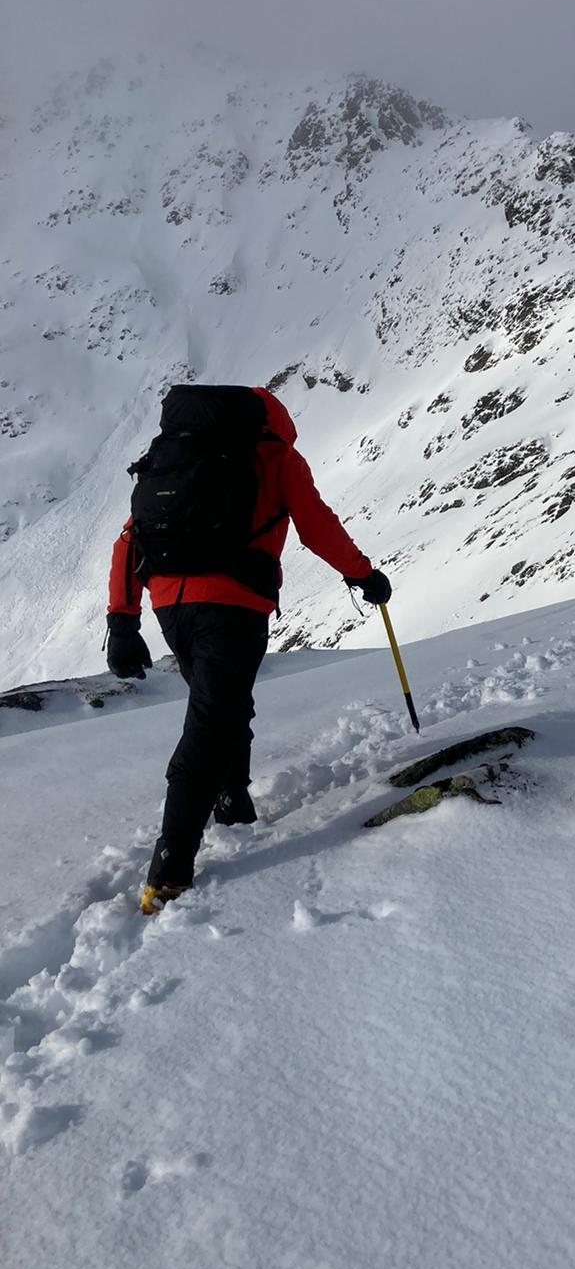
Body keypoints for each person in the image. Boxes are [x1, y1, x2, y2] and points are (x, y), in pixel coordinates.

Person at [106, 384, 391, 914]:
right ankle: (170, 865)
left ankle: (232, 801)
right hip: (234, 604)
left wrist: (122, 620)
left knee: (224, 705)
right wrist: (363, 574)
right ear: (274, 419)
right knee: (211, 721)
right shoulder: (275, 455)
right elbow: (315, 525)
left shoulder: (170, 456)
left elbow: (130, 538)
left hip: (171, 605)